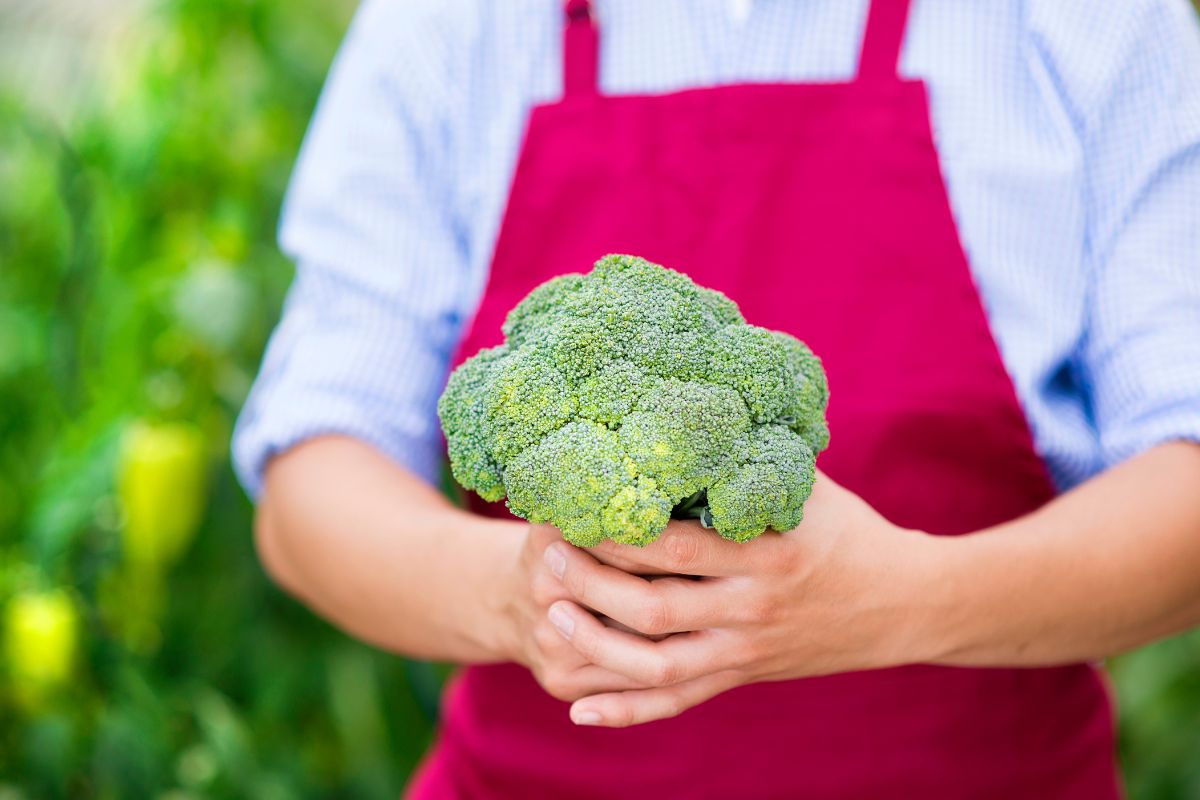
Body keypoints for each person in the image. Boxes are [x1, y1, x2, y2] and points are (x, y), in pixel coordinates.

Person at [233, 0, 1200, 796]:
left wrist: (905, 601)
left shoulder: (1086, 22)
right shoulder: (452, 27)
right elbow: (315, 473)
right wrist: (528, 598)